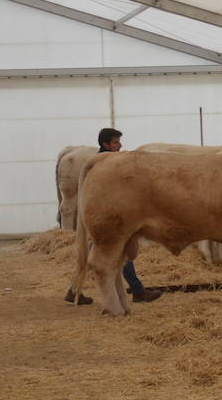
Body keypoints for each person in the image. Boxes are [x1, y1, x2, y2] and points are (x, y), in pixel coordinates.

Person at [65, 128, 162, 306]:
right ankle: (137, 290)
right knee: (117, 248)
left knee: (97, 249)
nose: (120, 145)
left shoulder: (103, 161)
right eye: (116, 142)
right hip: (106, 213)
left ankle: (73, 289)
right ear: (105, 144)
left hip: (105, 211)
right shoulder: (103, 164)